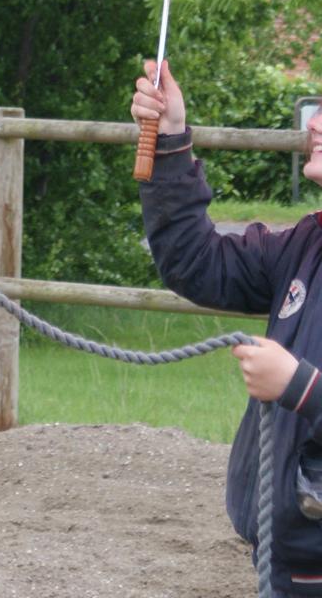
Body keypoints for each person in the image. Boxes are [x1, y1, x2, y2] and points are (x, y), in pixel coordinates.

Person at [132, 61, 322, 596]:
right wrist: (170, 137)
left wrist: (299, 386)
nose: (313, 121)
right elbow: (196, 263)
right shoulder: (306, 245)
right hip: (291, 552)